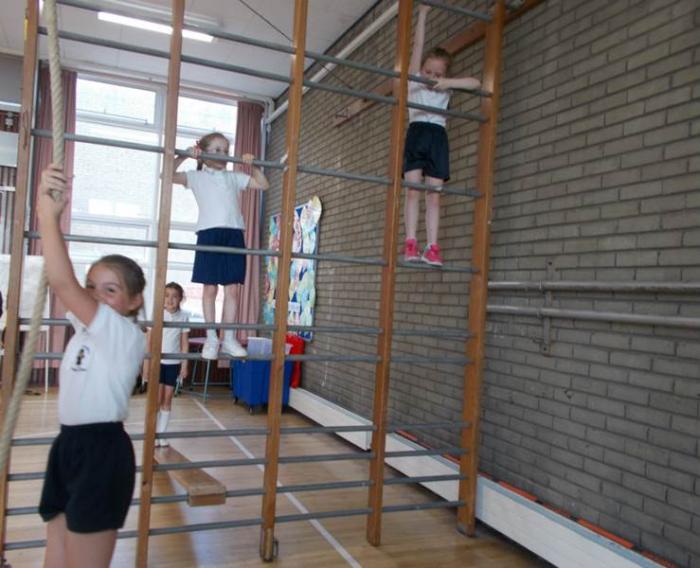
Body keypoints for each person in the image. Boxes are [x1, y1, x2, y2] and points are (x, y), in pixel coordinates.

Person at [36, 165, 146, 568]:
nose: (96, 296)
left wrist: (46, 215)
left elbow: (64, 283)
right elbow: (62, 280)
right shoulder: (85, 329)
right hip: (68, 446)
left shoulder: (122, 333)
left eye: (111, 290)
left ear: (134, 301)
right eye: (92, 286)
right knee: (57, 558)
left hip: (101, 451)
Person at [173, 132, 269, 359]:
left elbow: (263, 184)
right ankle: (212, 338)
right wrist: (185, 156)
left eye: (226, 150)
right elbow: (166, 175)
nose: (223, 154)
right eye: (216, 150)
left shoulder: (233, 176)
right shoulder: (196, 177)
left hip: (234, 233)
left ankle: (229, 338)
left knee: (233, 290)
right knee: (209, 289)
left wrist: (252, 165)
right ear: (204, 153)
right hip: (208, 233)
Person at [403, 5, 481, 267]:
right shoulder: (414, 81)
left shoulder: (444, 89)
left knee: (434, 194)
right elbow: (418, 46)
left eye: (437, 74)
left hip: (438, 136)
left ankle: (432, 246)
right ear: (421, 69)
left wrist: (449, 83)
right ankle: (411, 242)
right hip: (417, 132)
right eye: (428, 72)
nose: (431, 77)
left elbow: (476, 83)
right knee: (413, 190)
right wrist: (423, 14)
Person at [142, 282, 189, 447]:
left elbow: (184, 344)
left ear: (180, 299)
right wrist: (146, 368)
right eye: (167, 295)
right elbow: (149, 342)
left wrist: (184, 365)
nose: (170, 300)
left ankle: (162, 434)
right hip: (157, 363)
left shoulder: (184, 317)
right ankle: (153, 433)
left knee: (167, 399)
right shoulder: (156, 314)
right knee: (156, 399)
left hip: (173, 363)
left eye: (174, 296)